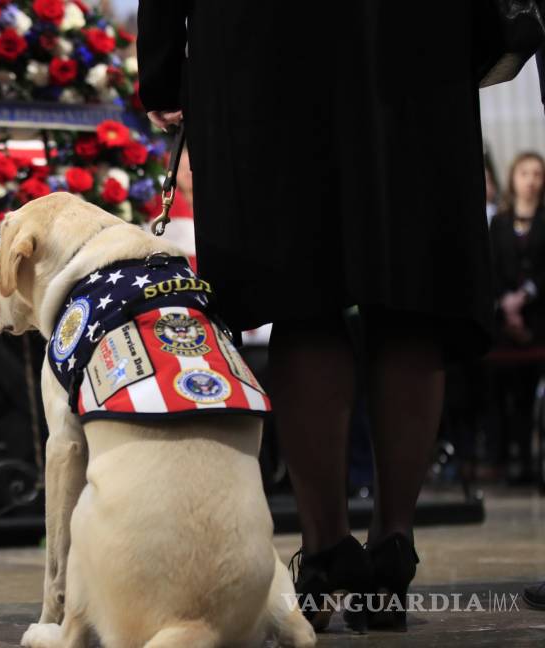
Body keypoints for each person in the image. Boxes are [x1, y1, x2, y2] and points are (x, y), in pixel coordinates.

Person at [138, 2, 491, 632]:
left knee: (303, 293)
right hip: (415, 39)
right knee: (409, 290)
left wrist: (162, 62)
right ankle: (392, 547)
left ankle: (328, 553)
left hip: (266, 39)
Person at [488, 152, 545, 485]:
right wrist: (506, 303)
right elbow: (492, 266)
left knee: (531, 395)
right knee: (504, 395)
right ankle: (504, 460)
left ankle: (530, 463)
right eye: (525, 173)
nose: (531, 180)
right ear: (513, 177)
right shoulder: (499, 221)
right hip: (504, 322)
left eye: (537, 173)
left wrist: (527, 295)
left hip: (537, 321)